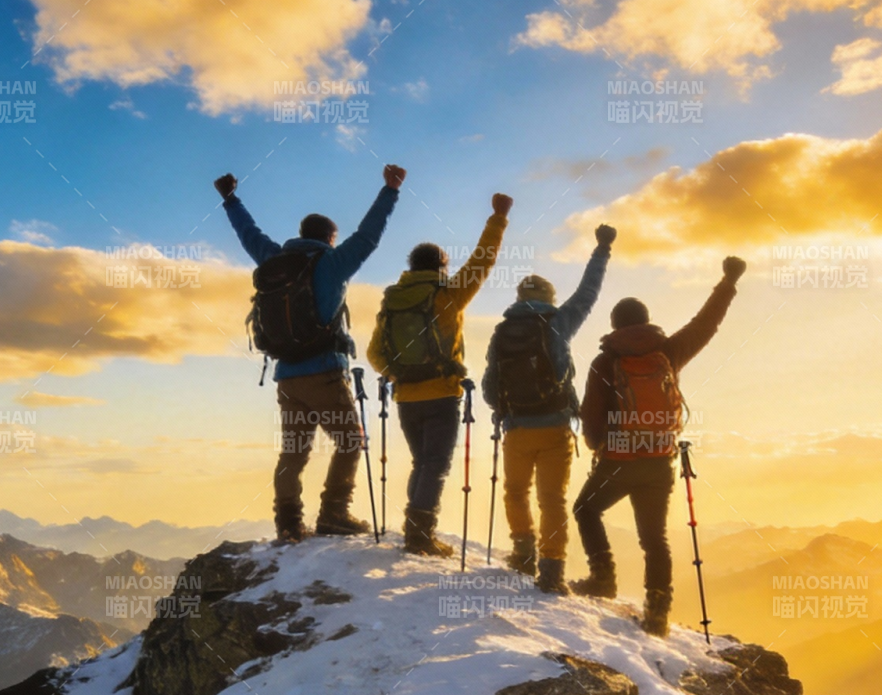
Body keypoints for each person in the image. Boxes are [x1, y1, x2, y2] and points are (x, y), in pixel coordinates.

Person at [216, 166, 405, 542]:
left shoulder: (272, 259)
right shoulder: (332, 264)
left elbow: (247, 234)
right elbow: (368, 236)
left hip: (286, 376)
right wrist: (390, 191)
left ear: (301, 235)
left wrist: (230, 200)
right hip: (324, 372)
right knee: (351, 441)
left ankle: (288, 524)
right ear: (331, 239)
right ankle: (334, 513)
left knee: (293, 453)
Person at [573, 256, 746, 636]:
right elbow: (707, 323)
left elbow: (591, 416)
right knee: (654, 538)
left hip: (616, 461)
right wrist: (728, 281)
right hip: (658, 462)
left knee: (586, 510)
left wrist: (596, 445)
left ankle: (602, 577)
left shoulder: (606, 362)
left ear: (615, 326)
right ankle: (657, 611)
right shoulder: (668, 353)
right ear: (646, 320)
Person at [367, 193, 511, 556]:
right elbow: (483, 261)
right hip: (443, 394)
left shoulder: (391, 301)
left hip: (405, 398)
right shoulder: (449, 294)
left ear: (410, 267)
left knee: (423, 462)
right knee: (436, 464)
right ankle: (419, 535)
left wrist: (397, 375)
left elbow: (373, 352)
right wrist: (497, 218)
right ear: (442, 267)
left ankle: (415, 528)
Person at [481, 224, 615, 594]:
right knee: (552, 499)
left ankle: (523, 552)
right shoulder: (558, 322)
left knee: (515, 491)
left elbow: (490, 385)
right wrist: (602, 249)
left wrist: (506, 411)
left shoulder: (502, 331)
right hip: (555, 426)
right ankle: (552, 571)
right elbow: (588, 293)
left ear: (519, 296)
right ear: (549, 298)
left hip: (517, 429)